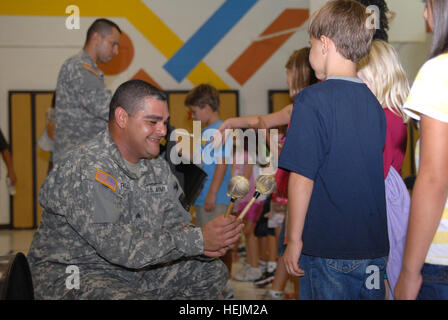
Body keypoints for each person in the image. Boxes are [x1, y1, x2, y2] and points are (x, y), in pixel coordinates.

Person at [27, 80, 244, 300]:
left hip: (128, 270)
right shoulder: (89, 167)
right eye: (153, 122)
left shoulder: (156, 166)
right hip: (73, 272)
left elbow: (176, 224)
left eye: (165, 122)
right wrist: (197, 240)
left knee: (211, 272)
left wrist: (208, 243)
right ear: (122, 118)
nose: (163, 130)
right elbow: (117, 246)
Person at [280, 0, 388, 300]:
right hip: (374, 251)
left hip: (328, 249)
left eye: (311, 45)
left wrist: (294, 239)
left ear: (324, 44)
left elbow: (302, 177)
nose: (311, 53)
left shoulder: (311, 100)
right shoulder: (374, 103)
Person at [395, 0, 448, 300]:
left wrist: (409, 271)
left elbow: (433, 181)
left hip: (441, 259)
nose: (425, 13)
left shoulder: (440, 72)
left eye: (428, 4)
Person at [357, 40, 411, 299]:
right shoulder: (391, 114)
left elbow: (374, 171)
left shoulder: (387, 117)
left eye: (361, 80)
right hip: (383, 199)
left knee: (384, 271)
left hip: (382, 203)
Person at [53, 18, 121, 163]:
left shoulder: (87, 69)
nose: (116, 51)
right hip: (76, 162)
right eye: (113, 43)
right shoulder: (80, 68)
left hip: (82, 159)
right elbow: (106, 110)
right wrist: (139, 116)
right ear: (96, 37)